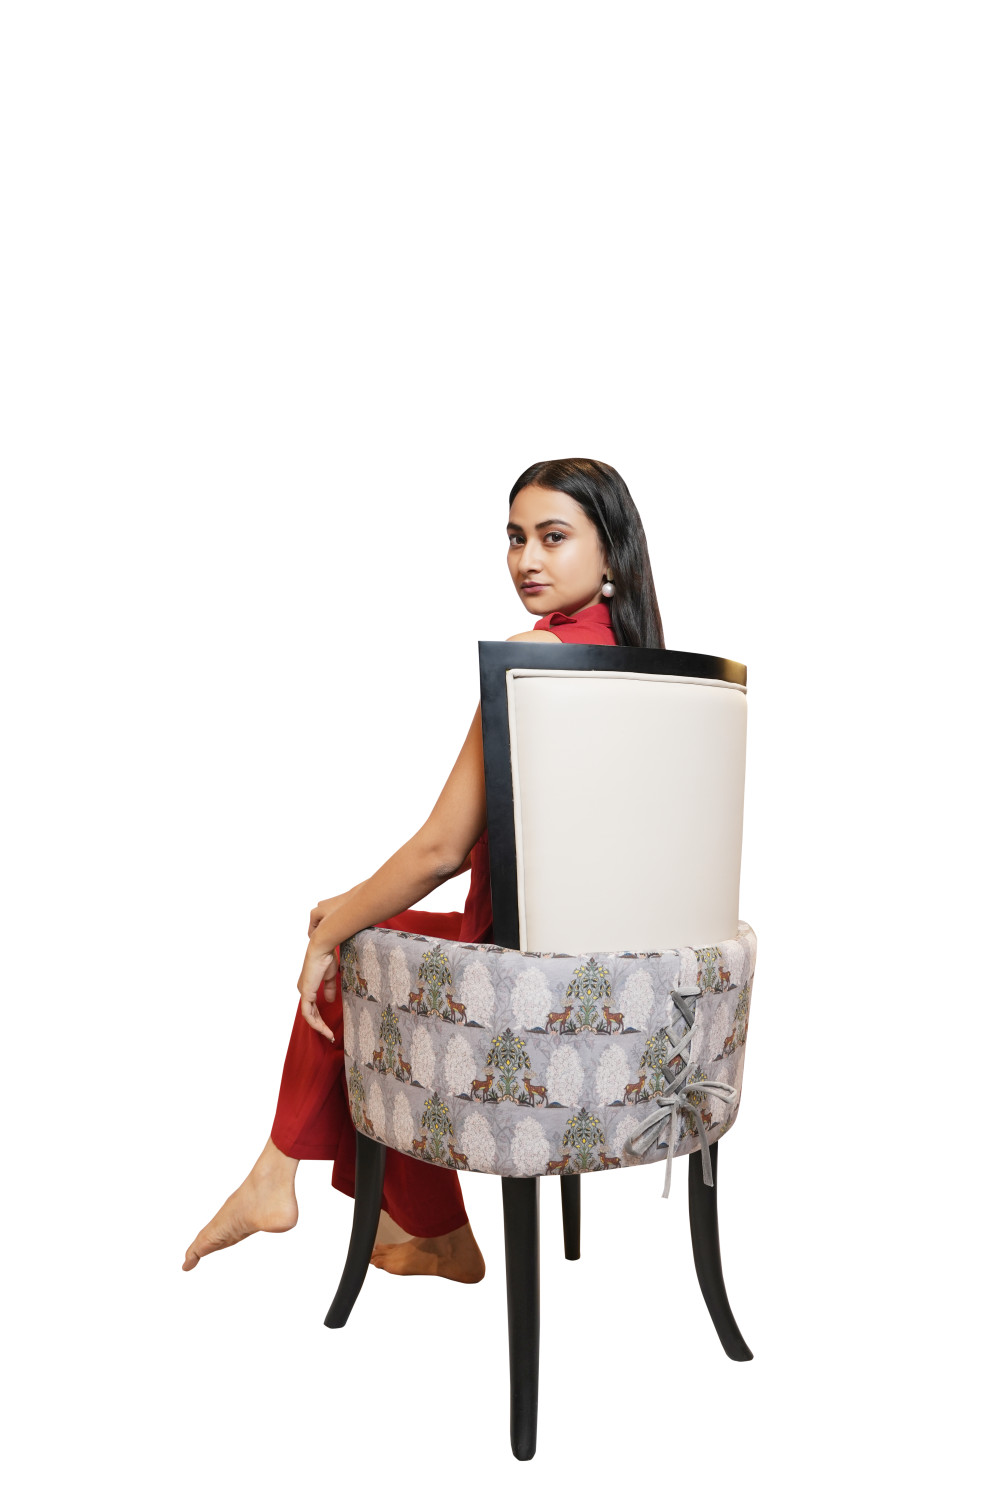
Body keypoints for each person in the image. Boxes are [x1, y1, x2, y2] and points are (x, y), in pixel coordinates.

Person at [182, 457, 665, 1279]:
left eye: (553, 537)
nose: (526, 560)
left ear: (610, 552)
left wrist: (331, 930)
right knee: (367, 923)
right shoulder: (651, 668)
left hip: (519, 976)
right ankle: (395, 1217)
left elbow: (441, 849)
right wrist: (349, 905)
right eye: (514, 538)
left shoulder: (534, 658)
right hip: (608, 974)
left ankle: (299, 1186)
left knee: (354, 946)